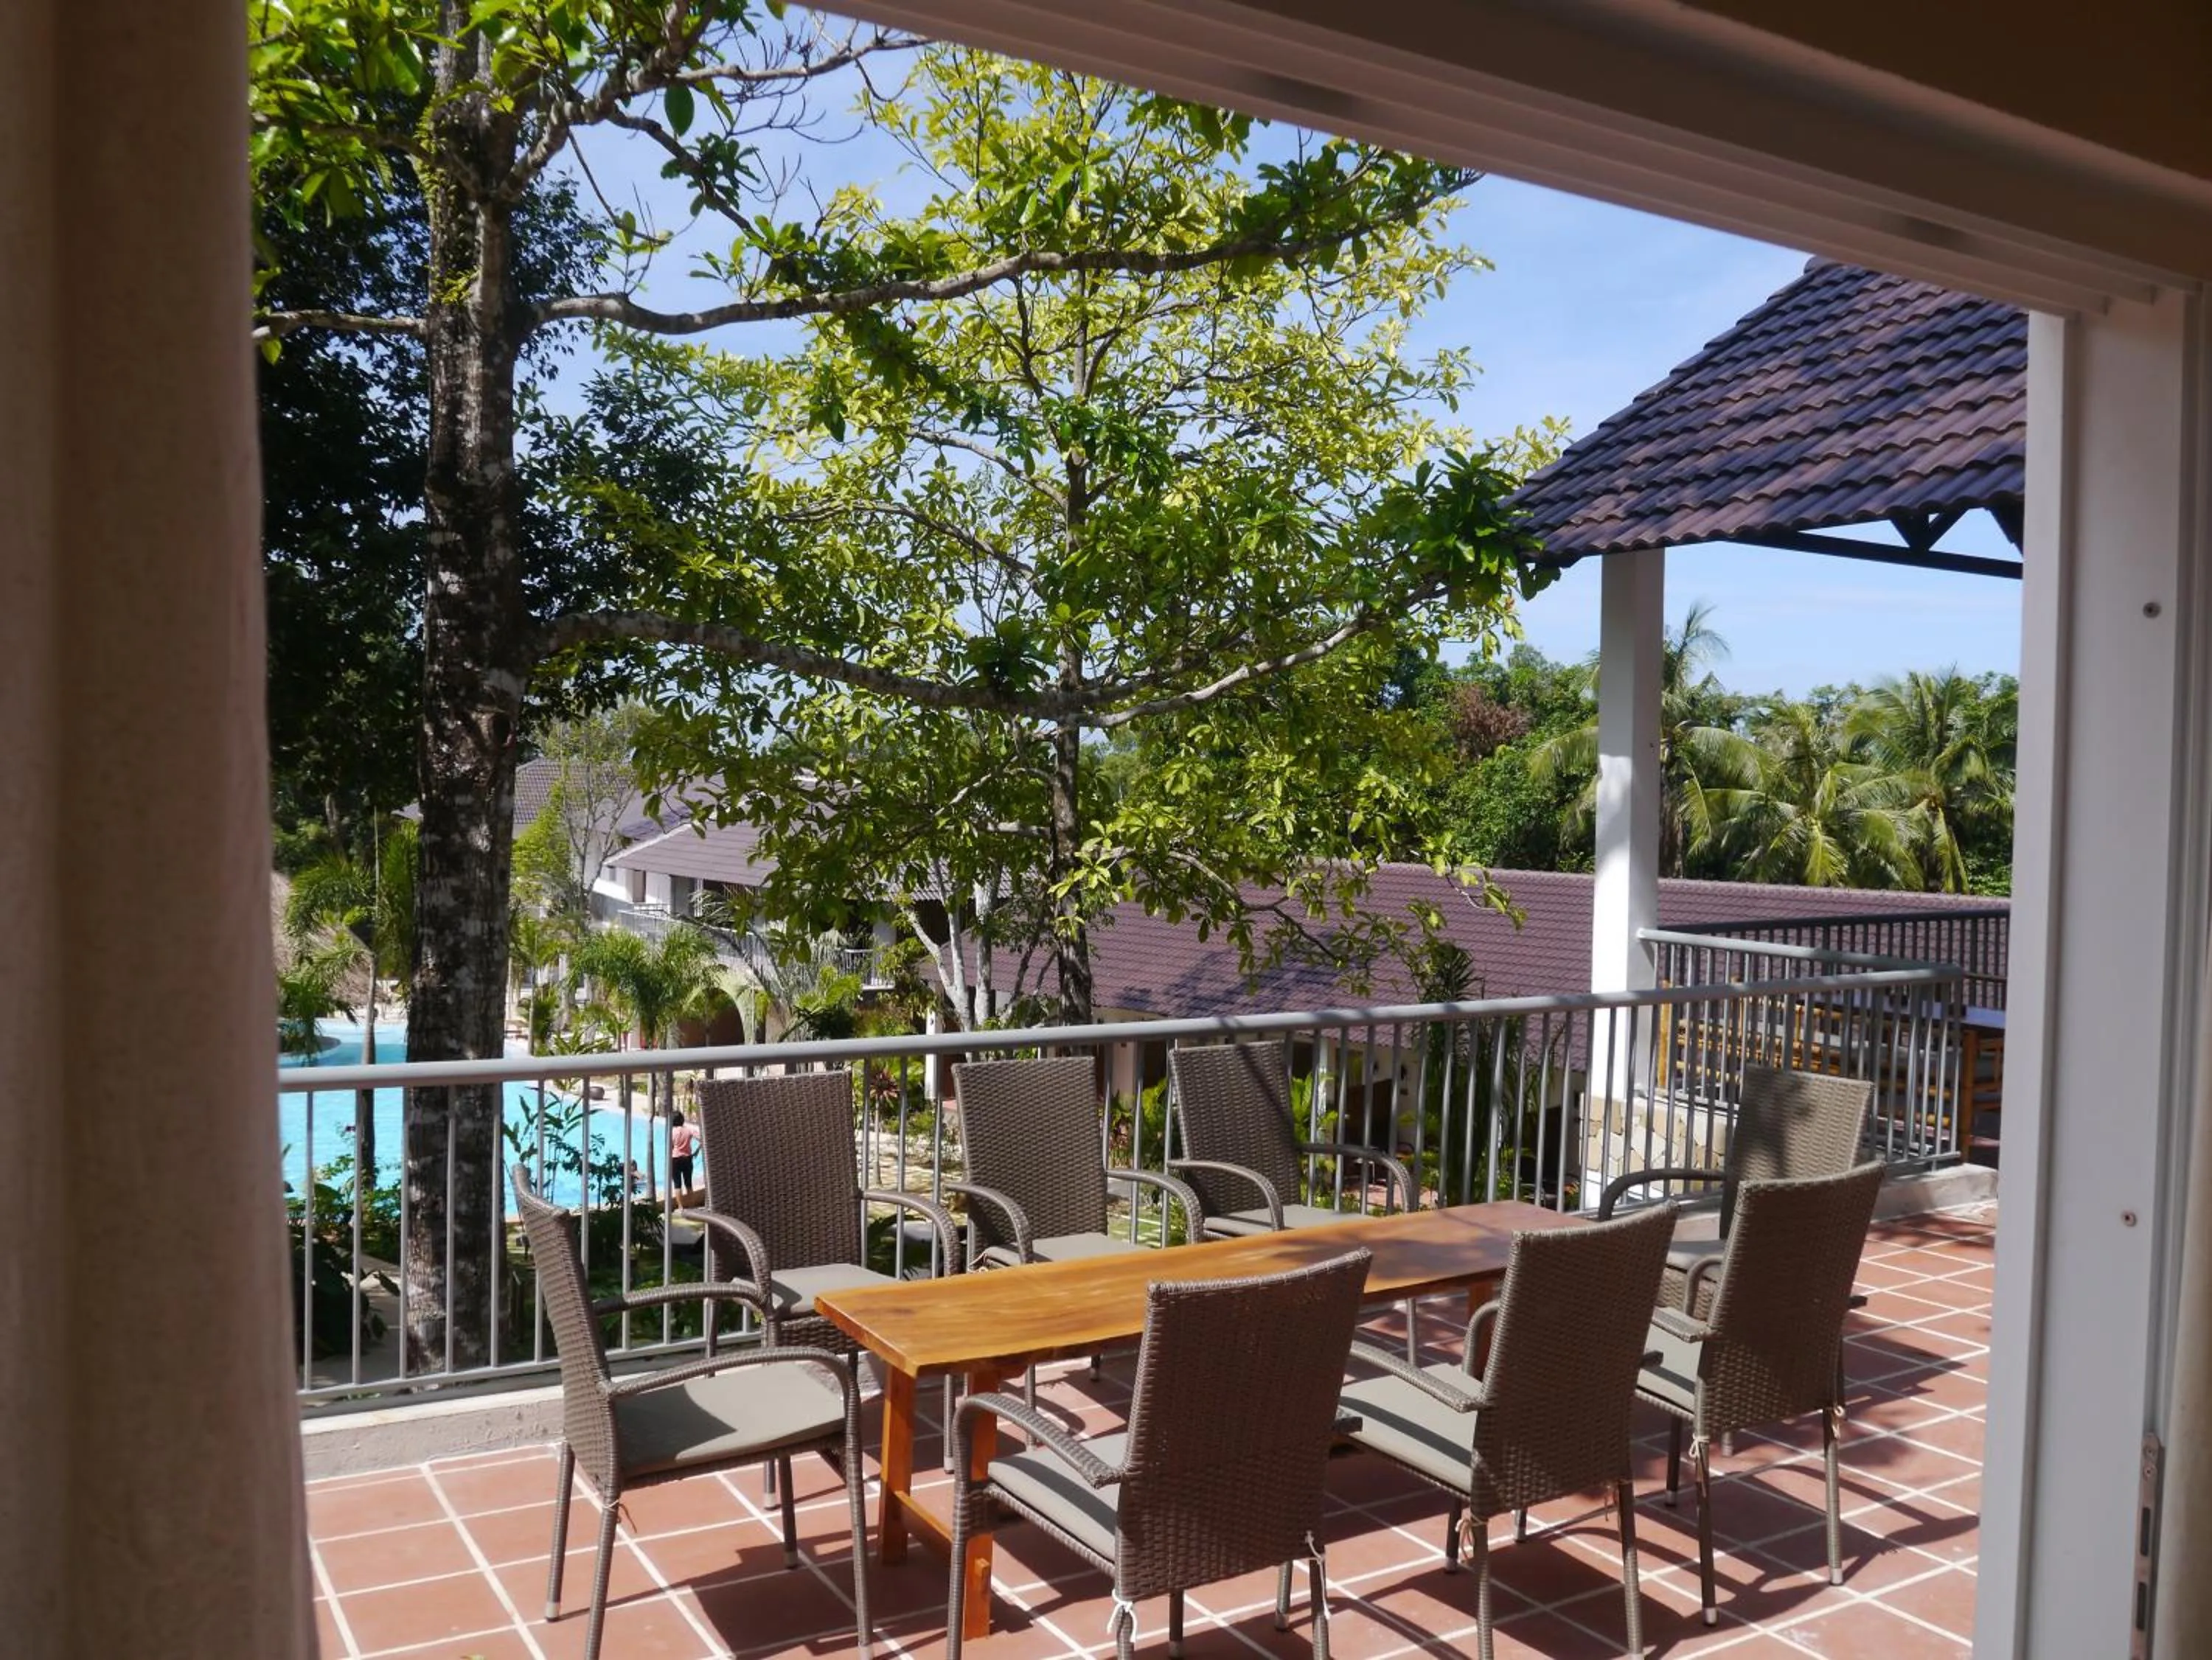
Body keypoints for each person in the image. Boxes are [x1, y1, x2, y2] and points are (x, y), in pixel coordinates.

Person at [668, 1110, 698, 1196]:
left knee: (677, 1185)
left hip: (675, 1159)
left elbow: (670, 1147)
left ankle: (681, 1207)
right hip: (687, 1159)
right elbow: (703, 1139)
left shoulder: (671, 1132)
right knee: (689, 1184)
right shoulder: (689, 1130)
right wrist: (697, 1151)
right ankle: (691, 1205)